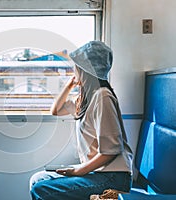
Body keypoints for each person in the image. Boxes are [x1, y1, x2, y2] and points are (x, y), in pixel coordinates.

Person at [29, 41, 133, 200]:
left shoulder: (103, 97)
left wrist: (79, 171)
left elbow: (111, 150)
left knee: (41, 189)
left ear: (86, 70)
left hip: (113, 176)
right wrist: (70, 84)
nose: (73, 70)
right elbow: (55, 110)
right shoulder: (86, 99)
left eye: (76, 67)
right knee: (38, 179)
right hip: (98, 172)